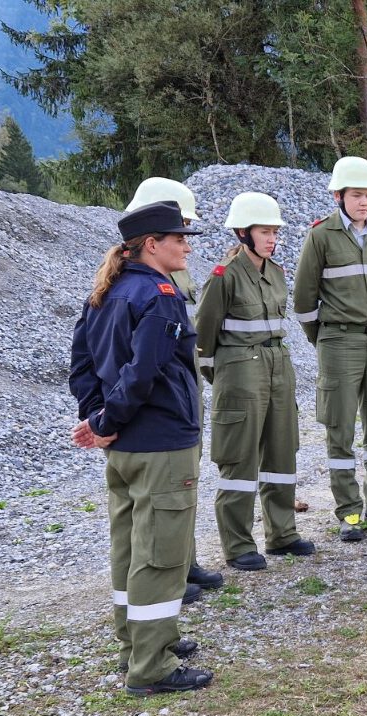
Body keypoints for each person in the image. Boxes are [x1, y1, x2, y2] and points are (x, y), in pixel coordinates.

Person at [69, 201, 213, 696]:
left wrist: (100, 421)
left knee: (130, 545)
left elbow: (82, 364)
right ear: (152, 244)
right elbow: (144, 371)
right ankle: (150, 667)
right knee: (160, 554)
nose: (186, 245)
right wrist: (107, 420)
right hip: (160, 444)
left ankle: (139, 642)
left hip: (127, 445)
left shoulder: (105, 291)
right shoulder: (160, 294)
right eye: (178, 238)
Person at [194, 192, 315, 570]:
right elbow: (204, 340)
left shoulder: (276, 272)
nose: (272, 238)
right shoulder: (223, 277)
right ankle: (238, 544)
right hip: (240, 372)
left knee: (282, 451)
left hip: (278, 366)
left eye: (275, 232)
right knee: (239, 459)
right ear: (243, 233)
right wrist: (227, 378)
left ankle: (282, 533)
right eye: (265, 232)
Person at [293, 156, 367, 542]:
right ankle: (349, 510)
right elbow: (304, 300)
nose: (364, 202)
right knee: (340, 425)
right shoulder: (320, 236)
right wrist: (324, 339)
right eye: (357, 195)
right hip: (337, 340)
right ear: (339, 196)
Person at [124, 178, 223, 595]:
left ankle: (184, 559)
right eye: (179, 226)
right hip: (157, 398)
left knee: (182, 484)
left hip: (181, 386)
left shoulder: (167, 271)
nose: (184, 235)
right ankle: (165, 573)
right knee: (159, 494)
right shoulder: (141, 279)